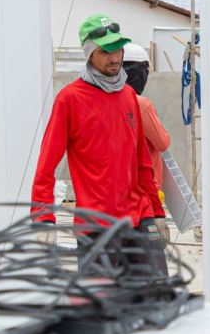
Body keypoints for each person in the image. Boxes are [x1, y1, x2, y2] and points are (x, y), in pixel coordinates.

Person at [30, 14, 168, 273]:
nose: (115, 57)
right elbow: (46, 164)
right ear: (89, 53)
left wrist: (157, 212)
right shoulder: (70, 99)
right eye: (106, 51)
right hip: (97, 225)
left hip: (140, 217)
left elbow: (141, 161)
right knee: (101, 306)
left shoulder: (128, 95)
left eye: (118, 48)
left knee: (156, 300)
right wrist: (43, 217)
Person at [122, 44, 171, 246]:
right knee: (148, 263)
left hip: (118, 195)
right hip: (144, 195)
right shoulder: (141, 104)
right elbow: (162, 142)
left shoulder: (107, 101)